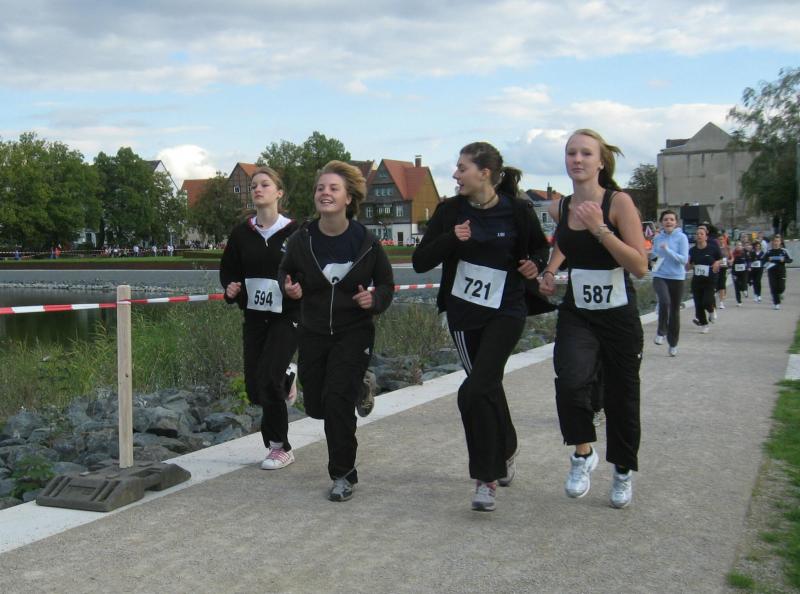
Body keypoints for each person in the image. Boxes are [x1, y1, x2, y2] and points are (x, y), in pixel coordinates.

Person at [412, 141, 551, 512]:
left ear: (484, 173)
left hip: (506, 310)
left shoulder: (517, 210)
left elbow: (539, 249)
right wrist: (450, 238)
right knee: (486, 386)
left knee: (474, 391)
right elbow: (421, 260)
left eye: (462, 168)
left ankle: (485, 479)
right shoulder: (449, 212)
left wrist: (535, 265)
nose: (455, 174)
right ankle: (507, 447)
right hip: (464, 316)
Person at [538, 129, 647, 509]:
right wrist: (550, 270)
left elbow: (639, 266)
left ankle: (622, 471)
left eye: (586, 153)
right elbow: (564, 244)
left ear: (601, 161)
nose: (577, 159)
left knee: (621, 396)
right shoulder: (561, 207)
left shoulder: (619, 203)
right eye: (571, 153)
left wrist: (600, 229)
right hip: (578, 312)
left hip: (617, 315)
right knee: (570, 382)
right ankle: (582, 454)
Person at [279, 160, 394, 502]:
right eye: (320, 188)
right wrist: (289, 288)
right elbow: (285, 272)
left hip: (353, 332)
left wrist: (373, 300)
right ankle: (361, 385)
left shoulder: (366, 242)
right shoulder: (302, 239)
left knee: (337, 402)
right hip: (313, 332)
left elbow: (386, 285)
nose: (324, 193)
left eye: (333, 188)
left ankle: (343, 474)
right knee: (317, 406)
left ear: (348, 198)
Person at [220, 167, 300, 470]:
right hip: (254, 317)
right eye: (253, 185)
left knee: (268, 379)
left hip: (288, 316)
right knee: (255, 390)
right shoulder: (241, 234)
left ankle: (279, 447)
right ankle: (288, 376)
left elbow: (308, 271)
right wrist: (231, 288)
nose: (257, 189)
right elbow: (229, 271)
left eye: (265, 184)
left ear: (279, 192)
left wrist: (298, 289)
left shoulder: (296, 232)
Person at [651, 210, 688, 356]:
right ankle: (661, 331)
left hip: (677, 277)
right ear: (661, 222)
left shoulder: (682, 238)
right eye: (666, 219)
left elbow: (683, 260)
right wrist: (652, 265)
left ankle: (673, 344)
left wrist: (668, 250)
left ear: (676, 222)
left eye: (671, 219)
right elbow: (655, 256)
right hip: (660, 275)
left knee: (674, 311)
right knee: (664, 301)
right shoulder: (657, 238)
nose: (668, 222)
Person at [687, 225, 722, 333]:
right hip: (697, 280)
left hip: (710, 280)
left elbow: (722, 259)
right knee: (698, 304)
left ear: (706, 237)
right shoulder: (692, 250)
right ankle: (704, 324)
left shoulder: (712, 248)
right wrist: (687, 265)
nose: (699, 236)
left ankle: (711, 310)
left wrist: (717, 262)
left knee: (706, 301)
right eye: (697, 234)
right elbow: (689, 265)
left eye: (701, 234)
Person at [763, 234, 793, 309]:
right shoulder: (769, 252)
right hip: (771, 272)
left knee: (781, 287)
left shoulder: (784, 251)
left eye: (777, 241)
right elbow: (763, 260)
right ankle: (776, 304)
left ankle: (780, 293)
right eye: (775, 241)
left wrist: (784, 260)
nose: (776, 243)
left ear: (780, 242)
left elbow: (790, 260)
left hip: (781, 272)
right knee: (773, 287)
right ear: (772, 242)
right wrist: (767, 260)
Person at [731, 241, 749, 306]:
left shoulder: (744, 253)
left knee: (744, 282)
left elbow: (748, 260)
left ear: (742, 246)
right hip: (735, 272)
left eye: (740, 245)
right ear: (735, 246)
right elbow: (730, 262)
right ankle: (739, 301)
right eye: (737, 245)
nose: (739, 246)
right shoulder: (733, 254)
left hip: (744, 271)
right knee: (737, 287)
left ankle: (744, 290)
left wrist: (748, 266)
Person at [716, 229, 730, 309]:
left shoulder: (727, 248)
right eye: (719, 239)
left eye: (722, 239)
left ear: (724, 240)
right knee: (716, 285)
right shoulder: (715, 248)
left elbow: (731, 257)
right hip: (716, 268)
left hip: (724, 268)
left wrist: (730, 261)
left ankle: (721, 302)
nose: (720, 241)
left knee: (722, 285)